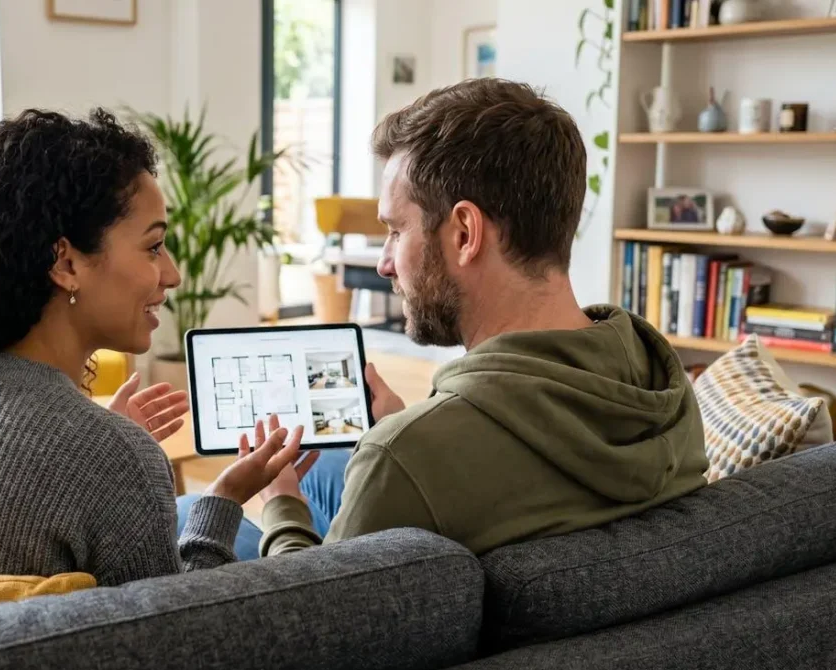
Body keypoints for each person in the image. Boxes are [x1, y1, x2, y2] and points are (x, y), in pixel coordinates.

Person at [251, 78, 709, 557]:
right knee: (330, 468)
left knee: (207, 512)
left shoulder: (404, 460)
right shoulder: (666, 391)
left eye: (394, 230)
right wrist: (410, 425)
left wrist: (281, 504)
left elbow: (315, 621)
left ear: (465, 233)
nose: (385, 263)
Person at [0, 109, 308, 586]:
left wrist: (102, 445)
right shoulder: (112, 455)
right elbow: (172, 639)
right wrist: (225, 500)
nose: (172, 274)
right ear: (65, 262)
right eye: (153, 247)